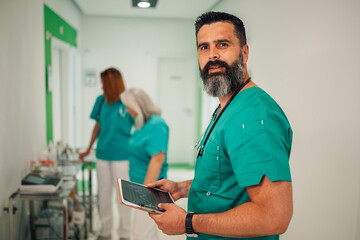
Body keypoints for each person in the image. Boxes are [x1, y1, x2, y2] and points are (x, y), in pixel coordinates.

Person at [148, 11, 293, 240]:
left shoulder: (253, 117)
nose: (212, 55)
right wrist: (182, 188)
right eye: (203, 47)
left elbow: (274, 216)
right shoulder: (228, 106)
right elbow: (226, 179)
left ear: (244, 52)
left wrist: (188, 222)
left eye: (222, 44)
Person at [79, 67, 134, 240]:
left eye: (104, 83)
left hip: (122, 158)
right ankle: (105, 232)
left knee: (124, 198)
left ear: (112, 84)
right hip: (102, 156)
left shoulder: (128, 102)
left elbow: (140, 123)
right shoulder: (100, 101)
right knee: (104, 196)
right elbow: (98, 126)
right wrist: (88, 148)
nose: (102, 86)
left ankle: (124, 233)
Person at [120, 88, 169, 240]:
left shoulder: (157, 125)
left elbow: (157, 159)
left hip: (150, 190)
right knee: (141, 232)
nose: (127, 111)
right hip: (138, 186)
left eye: (129, 107)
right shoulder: (142, 123)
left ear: (139, 106)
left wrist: (145, 194)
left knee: (142, 234)